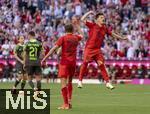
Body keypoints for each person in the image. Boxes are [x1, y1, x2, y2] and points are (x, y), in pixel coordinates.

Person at [77, 11, 127, 89]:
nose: (103, 19)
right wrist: (89, 12)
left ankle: (107, 82)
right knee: (85, 63)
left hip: (97, 50)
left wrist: (122, 38)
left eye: (103, 17)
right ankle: (80, 81)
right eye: (101, 17)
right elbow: (82, 19)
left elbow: (113, 34)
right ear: (97, 20)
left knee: (101, 65)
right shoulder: (93, 25)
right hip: (89, 49)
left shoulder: (105, 28)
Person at [42, 23, 83, 110]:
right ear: (72, 30)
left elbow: (53, 49)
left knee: (63, 83)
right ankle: (70, 101)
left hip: (64, 63)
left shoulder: (63, 38)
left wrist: (45, 58)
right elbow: (82, 34)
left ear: (65, 30)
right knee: (70, 82)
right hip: (73, 63)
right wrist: (78, 25)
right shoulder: (76, 38)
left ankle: (65, 104)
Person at [23, 31, 44, 96]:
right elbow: (42, 54)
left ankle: (35, 89)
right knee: (38, 78)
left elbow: (25, 54)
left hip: (29, 63)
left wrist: (24, 63)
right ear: (34, 35)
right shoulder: (39, 43)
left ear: (29, 35)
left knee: (29, 79)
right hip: (37, 62)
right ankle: (39, 93)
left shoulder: (27, 43)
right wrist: (39, 59)